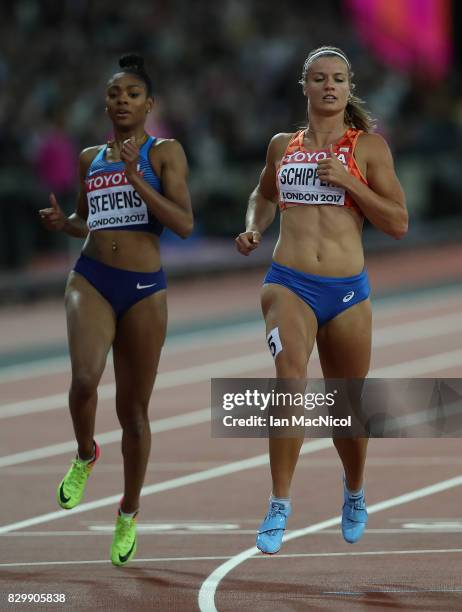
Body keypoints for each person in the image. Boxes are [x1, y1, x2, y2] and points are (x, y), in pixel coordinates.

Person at [235, 46, 407, 554]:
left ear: (349, 87)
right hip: (288, 281)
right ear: (304, 87)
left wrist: (350, 181)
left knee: (346, 408)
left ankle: (354, 489)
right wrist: (252, 228)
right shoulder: (282, 146)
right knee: (290, 380)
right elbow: (263, 195)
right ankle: (279, 503)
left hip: (348, 291)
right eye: (319, 78)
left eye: (337, 79)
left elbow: (398, 223)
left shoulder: (370, 147)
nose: (329, 86)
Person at [39, 54, 193, 566]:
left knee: (133, 412)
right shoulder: (89, 158)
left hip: (145, 287)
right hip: (92, 277)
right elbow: (92, 219)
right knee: (85, 378)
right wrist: (67, 225)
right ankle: (85, 453)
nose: (121, 101)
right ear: (105, 103)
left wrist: (138, 177)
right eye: (113, 94)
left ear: (149, 104)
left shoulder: (165, 152)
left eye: (131, 94)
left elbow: (184, 224)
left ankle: (128, 511)